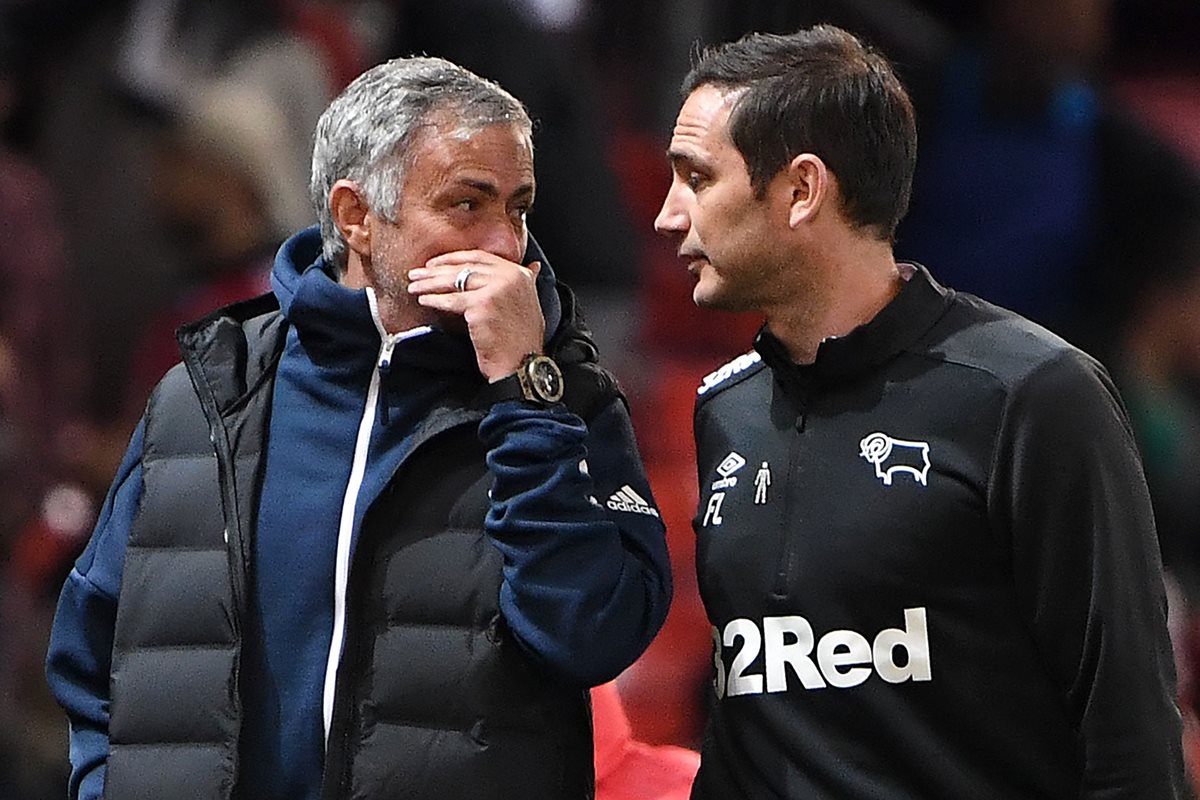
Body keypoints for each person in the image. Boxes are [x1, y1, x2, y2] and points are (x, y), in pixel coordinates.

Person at [46, 55, 672, 800]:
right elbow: (93, 652)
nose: (506, 244)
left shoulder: (564, 399)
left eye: (518, 208)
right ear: (356, 217)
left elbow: (592, 633)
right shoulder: (205, 399)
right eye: (467, 205)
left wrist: (524, 395)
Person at [652, 24, 1188, 799]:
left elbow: (1130, 734)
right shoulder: (726, 412)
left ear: (802, 190)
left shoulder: (1032, 396)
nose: (669, 216)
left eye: (698, 178)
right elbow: (747, 723)